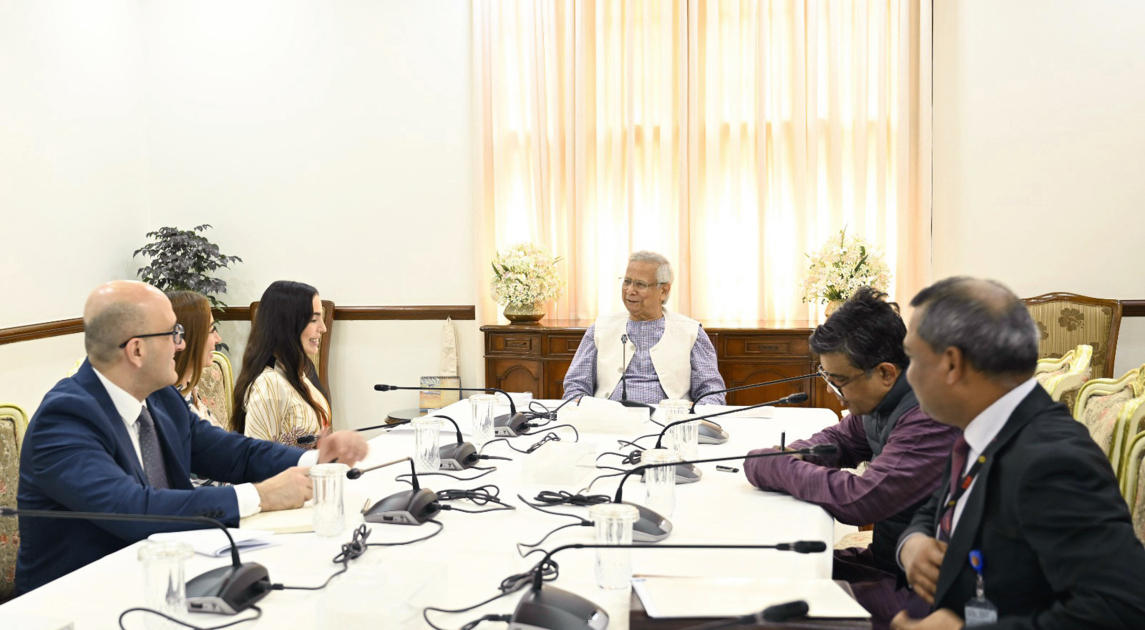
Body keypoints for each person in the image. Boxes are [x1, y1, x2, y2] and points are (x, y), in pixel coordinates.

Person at [14, 281, 369, 594]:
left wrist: (315, 459)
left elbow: (232, 453)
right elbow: (134, 511)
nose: (181, 345)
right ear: (136, 350)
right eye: (174, 333)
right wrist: (260, 496)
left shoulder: (160, 397)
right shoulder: (64, 420)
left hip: (163, 579)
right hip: (78, 602)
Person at [892, 277, 1145, 630]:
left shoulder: (1052, 462)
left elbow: (1122, 609)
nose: (909, 375)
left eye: (913, 358)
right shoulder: (984, 425)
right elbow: (938, 506)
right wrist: (912, 545)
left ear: (952, 364)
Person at [743, 288, 959, 629]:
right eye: (827, 377)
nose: (833, 390)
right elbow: (835, 442)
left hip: (930, 592)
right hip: (889, 560)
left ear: (886, 373)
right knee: (766, 566)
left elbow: (861, 499)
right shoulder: (881, 399)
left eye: (839, 380)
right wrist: (783, 458)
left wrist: (779, 466)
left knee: (779, 603)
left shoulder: (927, 414)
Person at [562, 251, 726, 405]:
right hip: (610, 422)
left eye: (640, 284)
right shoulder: (600, 329)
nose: (630, 290)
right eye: (627, 281)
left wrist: (692, 416)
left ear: (663, 290)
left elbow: (712, 392)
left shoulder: (691, 332)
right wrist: (585, 410)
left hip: (671, 424)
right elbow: (575, 385)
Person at [232, 281, 331, 446]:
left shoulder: (298, 372)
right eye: (314, 319)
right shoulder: (268, 384)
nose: (323, 328)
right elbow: (258, 461)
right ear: (286, 325)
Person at [168, 290, 226, 429]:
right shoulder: (170, 409)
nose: (218, 339)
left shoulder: (190, 391)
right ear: (190, 337)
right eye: (212, 330)